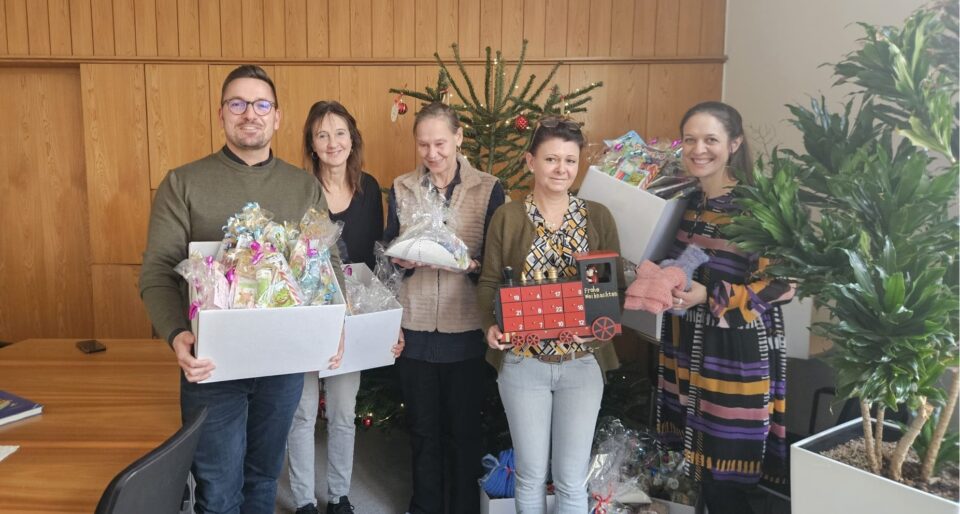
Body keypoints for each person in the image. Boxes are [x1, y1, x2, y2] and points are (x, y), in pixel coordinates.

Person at [139, 65, 343, 514]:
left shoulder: (302, 186)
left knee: (263, 479)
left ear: (277, 117)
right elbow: (157, 271)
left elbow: (326, 264)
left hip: (283, 363)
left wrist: (336, 324)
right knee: (217, 491)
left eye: (261, 104)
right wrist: (177, 334)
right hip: (212, 365)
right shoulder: (183, 182)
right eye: (238, 103)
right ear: (221, 114)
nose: (250, 113)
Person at [477, 116, 623, 514]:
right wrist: (490, 326)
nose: (561, 169)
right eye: (551, 159)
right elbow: (488, 282)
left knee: (571, 479)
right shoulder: (508, 217)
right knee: (530, 474)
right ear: (531, 162)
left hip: (582, 363)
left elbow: (613, 290)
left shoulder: (598, 217)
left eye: (570, 161)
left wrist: (597, 332)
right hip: (523, 363)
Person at [656, 101, 795, 514]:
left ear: (734, 144)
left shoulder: (758, 206)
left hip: (734, 357)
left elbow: (783, 284)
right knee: (700, 477)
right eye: (690, 140)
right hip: (685, 348)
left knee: (727, 484)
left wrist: (709, 295)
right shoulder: (686, 202)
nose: (698, 149)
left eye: (710, 139)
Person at [384, 102, 505, 514]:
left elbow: (496, 262)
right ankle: (425, 506)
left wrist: (469, 265)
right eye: (423, 145)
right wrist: (402, 260)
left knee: (464, 430)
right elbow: (387, 256)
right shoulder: (402, 187)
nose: (432, 153)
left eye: (440, 143)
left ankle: (464, 507)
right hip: (416, 324)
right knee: (422, 429)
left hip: (466, 325)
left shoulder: (488, 188)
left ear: (458, 137)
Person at [286, 100, 404, 514]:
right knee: (302, 412)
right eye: (322, 135)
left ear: (352, 139)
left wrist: (388, 319)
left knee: (342, 410)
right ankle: (303, 500)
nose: (332, 143)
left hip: (354, 311)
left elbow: (377, 259)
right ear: (311, 144)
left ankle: (339, 496)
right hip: (308, 312)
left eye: (340, 133)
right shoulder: (298, 188)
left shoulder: (369, 188)